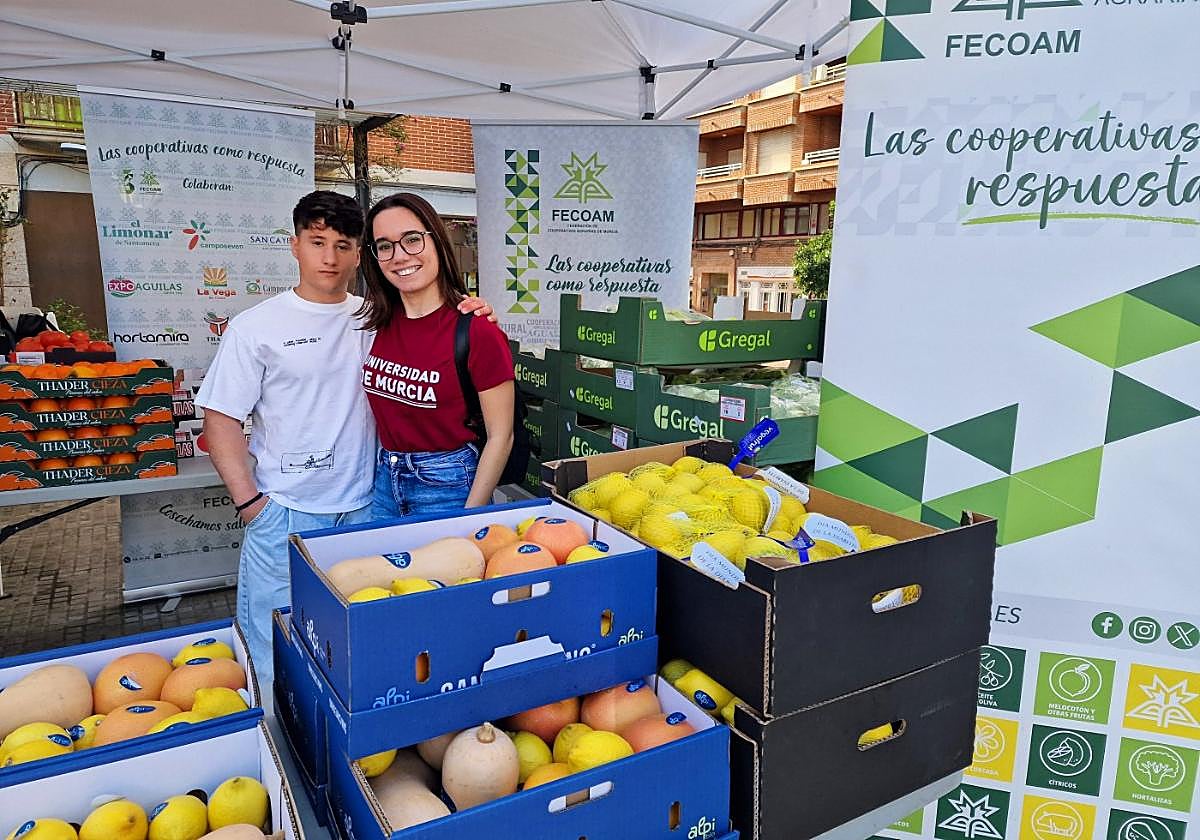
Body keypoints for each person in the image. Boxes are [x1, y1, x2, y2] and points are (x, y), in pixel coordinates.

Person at [197, 190, 493, 682]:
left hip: (366, 511)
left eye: (343, 244)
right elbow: (221, 419)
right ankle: (277, 747)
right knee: (274, 649)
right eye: (317, 242)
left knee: (356, 644)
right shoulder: (257, 327)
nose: (329, 258)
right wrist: (252, 505)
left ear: (360, 253)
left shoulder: (378, 318)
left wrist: (473, 310)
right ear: (294, 245)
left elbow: (438, 327)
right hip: (285, 514)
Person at [359, 193, 515, 518]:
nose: (399, 256)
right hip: (386, 479)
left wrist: (469, 519)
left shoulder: (477, 331)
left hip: (449, 484)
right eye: (384, 246)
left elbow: (502, 436)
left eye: (412, 240)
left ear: (437, 241)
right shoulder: (376, 323)